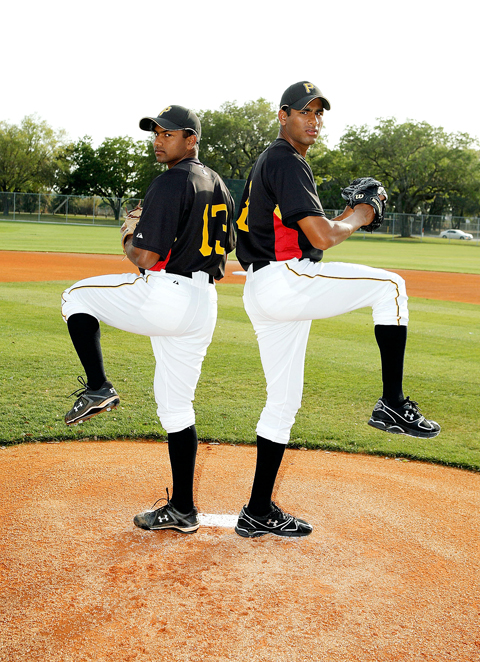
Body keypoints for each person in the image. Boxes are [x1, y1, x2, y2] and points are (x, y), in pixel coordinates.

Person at [233, 81, 440, 539]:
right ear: (283, 115)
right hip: (286, 281)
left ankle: (257, 509)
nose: (313, 119)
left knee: (283, 402)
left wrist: (344, 213)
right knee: (391, 286)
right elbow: (323, 237)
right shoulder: (286, 159)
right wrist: (363, 213)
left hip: (264, 290)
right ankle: (391, 404)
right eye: (304, 111)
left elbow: (309, 231)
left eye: (319, 113)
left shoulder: (272, 161)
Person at [62, 105, 235, 534]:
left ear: (191, 139)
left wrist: (127, 235)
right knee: (176, 406)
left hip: (167, 296)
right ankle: (182, 509)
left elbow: (144, 257)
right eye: (156, 133)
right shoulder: (217, 183)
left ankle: (99, 386)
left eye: (169, 134)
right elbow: (228, 243)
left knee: (75, 297)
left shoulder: (171, 180)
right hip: (203, 304)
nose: (159, 141)